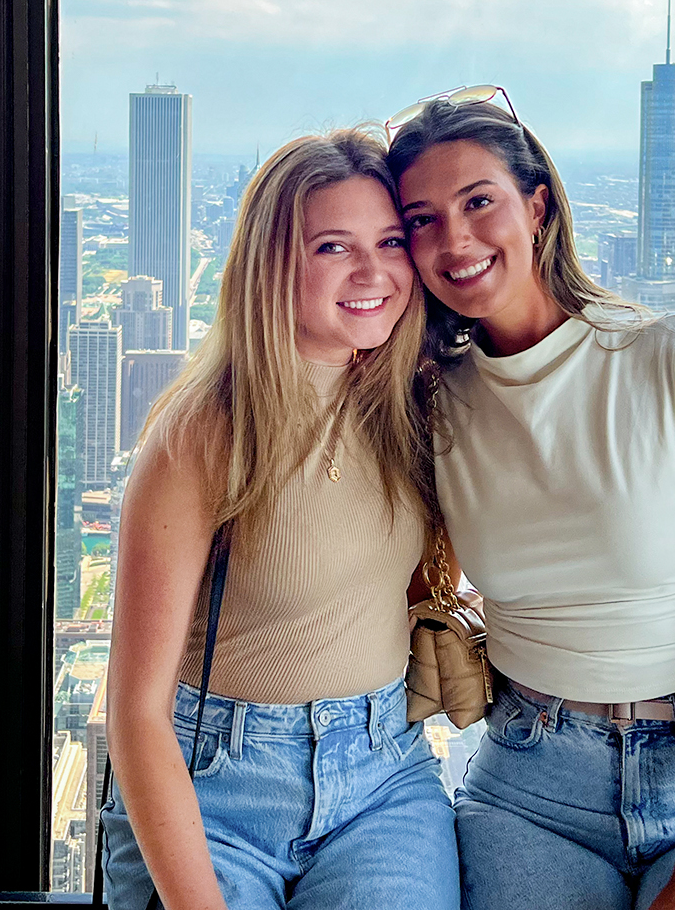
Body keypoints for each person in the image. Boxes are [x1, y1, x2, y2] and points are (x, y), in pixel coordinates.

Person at [386, 90, 675, 910]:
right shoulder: (429, 405)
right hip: (530, 781)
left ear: (538, 208)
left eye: (479, 201)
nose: (454, 239)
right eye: (421, 219)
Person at [101, 127, 459, 910]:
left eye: (391, 241)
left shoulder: (414, 404)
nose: (373, 272)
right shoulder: (204, 430)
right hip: (216, 787)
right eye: (334, 247)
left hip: (382, 779)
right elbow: (134, 711)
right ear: (273, 266)